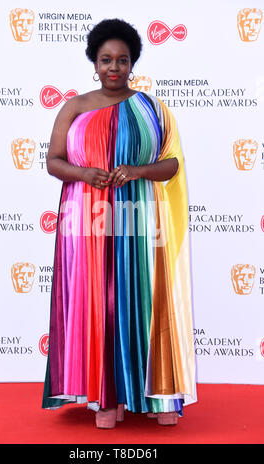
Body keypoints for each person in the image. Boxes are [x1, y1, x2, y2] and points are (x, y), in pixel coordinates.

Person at [42, 18, 196, 429]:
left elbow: (172, 164)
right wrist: (86, 174)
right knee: (100, 304)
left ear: (133, 63)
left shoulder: (152, 109)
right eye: (106, 59)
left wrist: (138, 170)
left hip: (139, 219)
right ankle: (107, 400)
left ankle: (157, 397)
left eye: (122, 60)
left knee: (143, 299)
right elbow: (53, 161)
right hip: (87, 223)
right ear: (94, 62)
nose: (114, 67)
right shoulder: (73, 108)